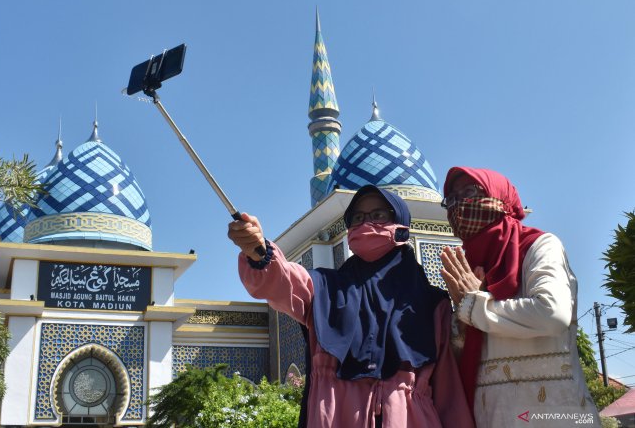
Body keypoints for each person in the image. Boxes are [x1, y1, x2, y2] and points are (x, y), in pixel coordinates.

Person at [228, 185, 474, 428]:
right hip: (337, 415)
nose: (366, 224)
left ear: (401, 225)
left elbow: (448, 394)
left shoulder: (431, 304)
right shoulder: (325, 289)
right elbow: (283, 281)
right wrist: (259, 252)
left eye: (378, 215)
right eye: (357, 217)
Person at [439, 167, 599, 427]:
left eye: (470, 192)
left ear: (500, 198)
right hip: (492, 416)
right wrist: (462, 321)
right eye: (452, 199)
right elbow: (463, 356)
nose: (460, 206)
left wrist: (474, 305)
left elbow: (552, 314)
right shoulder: (471, 268)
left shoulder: (539, 247)